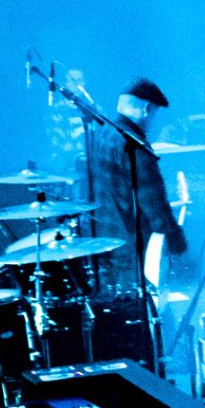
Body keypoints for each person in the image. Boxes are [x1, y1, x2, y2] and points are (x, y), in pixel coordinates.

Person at [82, 77, 187, 299]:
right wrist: (177, 241)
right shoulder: (135, 145)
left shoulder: (100, 134)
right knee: (140, 310)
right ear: (147, 109)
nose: (154, 122)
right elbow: (152, 201)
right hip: (131, 247)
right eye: (156, 114)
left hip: (102, 241)